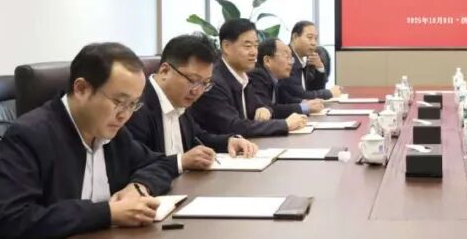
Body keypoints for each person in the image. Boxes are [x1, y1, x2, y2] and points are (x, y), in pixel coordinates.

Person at [0, 43, 177, 239]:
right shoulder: (30, 135)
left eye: (133, 104)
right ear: (81, 89)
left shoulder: (112, 132)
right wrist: (108, 213)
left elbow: (160, 163)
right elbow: (13, 219)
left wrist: (139, 186)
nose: (125, 115)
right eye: (119, 102)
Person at [126, 34, 258, 172]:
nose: (198, 91)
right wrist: (180, 162)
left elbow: (197, 137)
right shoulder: (135, 106)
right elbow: (137, 162)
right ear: (165, 71)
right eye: (193, 80)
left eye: (205, 83)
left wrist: (229, 141)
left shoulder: (182, 99)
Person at [191, 18, 308, 136]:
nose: (254, 52)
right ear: (226, 47)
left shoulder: (243, 77)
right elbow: (234, 126)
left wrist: (264, 109)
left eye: (255, 46)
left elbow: (262, 105)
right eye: (247, 46)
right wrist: (284, 124)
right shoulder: (214, 82)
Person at [250, 38, 326, 117]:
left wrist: (305, 102)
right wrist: (304, 107)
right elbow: (269, 108)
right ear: (267, 61)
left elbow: (286, 99)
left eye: (291, 58)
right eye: (286, 57)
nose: (291, 63)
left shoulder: (276, 78)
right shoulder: (257, 76)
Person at [285, 20, 342, 100]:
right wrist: (329, 93)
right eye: (309, 37)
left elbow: (313, 90)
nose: (314, 43)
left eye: (315, 39)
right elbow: (299, 95)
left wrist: (319, 67)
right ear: (295, 37)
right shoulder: (287, 60)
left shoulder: (301, 61)